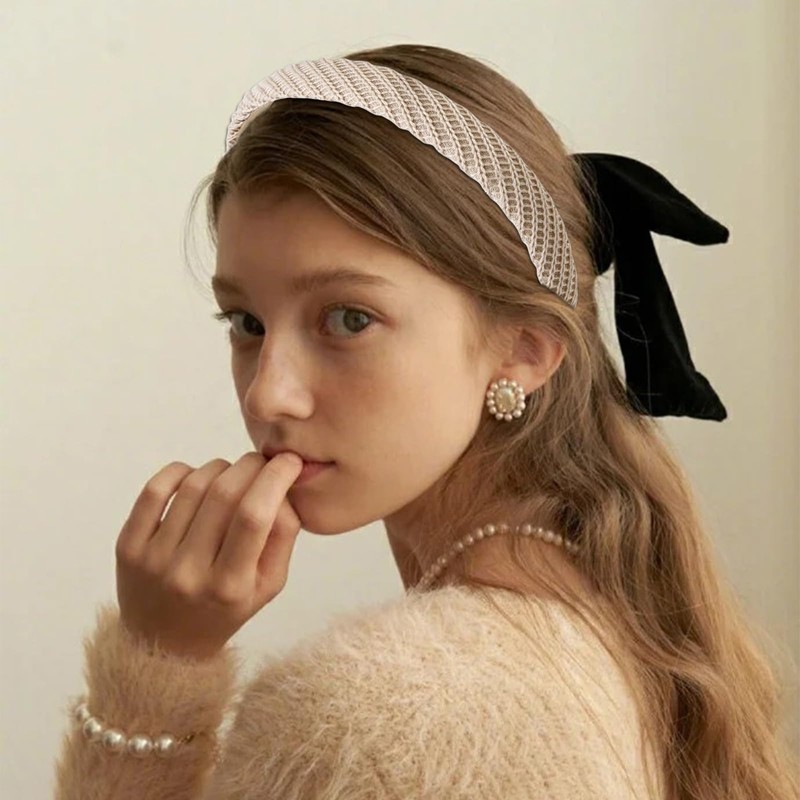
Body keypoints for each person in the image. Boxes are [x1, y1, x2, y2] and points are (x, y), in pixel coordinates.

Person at [52, 43, 799, 800]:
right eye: (247, 321)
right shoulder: (620, 620)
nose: (268, 396)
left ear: (524, 350)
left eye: (349, 318)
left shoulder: (367, 719)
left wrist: (155, 668)